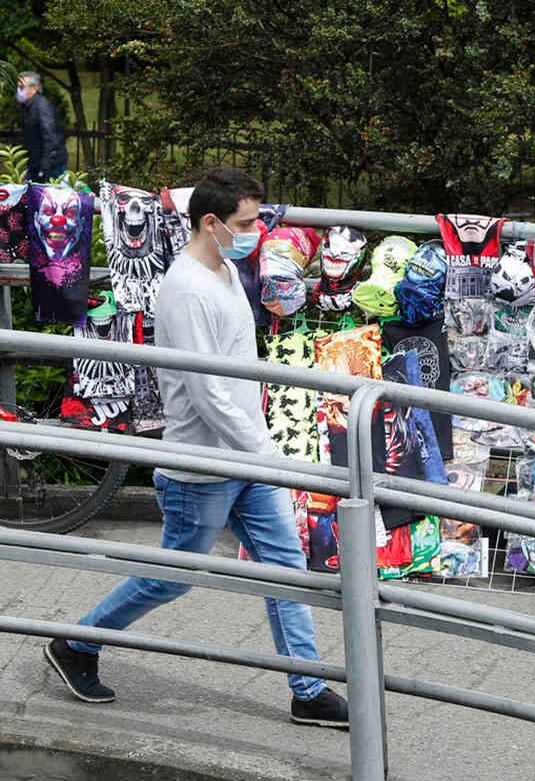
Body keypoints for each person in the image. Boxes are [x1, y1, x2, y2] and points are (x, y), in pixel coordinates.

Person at [44, 166, 349, 728]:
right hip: (201, 466)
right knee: (171, 577)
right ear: (211, 223)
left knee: (285, 568)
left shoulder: (226, 271)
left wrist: (259, 454)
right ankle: (76, 643)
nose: (256, 232)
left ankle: (308, 691)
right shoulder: (186, 290)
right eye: (247, 223)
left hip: (243, 459)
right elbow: (207, 393)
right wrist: (268, 456)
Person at [16, 72, 68, 182]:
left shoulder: (42, 107)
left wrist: (44, 168)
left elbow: (51, 137)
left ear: (33, 89)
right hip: (36, 164)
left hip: (50, 166)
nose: (18, 90)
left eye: (21, 87)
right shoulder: (29, 106)